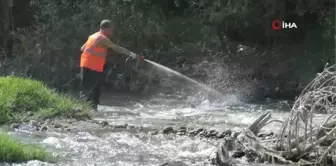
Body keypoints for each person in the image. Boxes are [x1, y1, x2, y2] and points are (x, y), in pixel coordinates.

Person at [79, 19, 141, 111]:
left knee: (91, 91)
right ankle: (87, 113)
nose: (112, 32)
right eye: (112, 30)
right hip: (93, 68)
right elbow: (116, 48)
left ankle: (88, 112)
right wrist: (133, 55)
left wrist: (97, 55)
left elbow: (83, 48)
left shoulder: (93, 36)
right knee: (92, 93)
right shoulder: (102, 38)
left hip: (86, 66)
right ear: (106, 29)